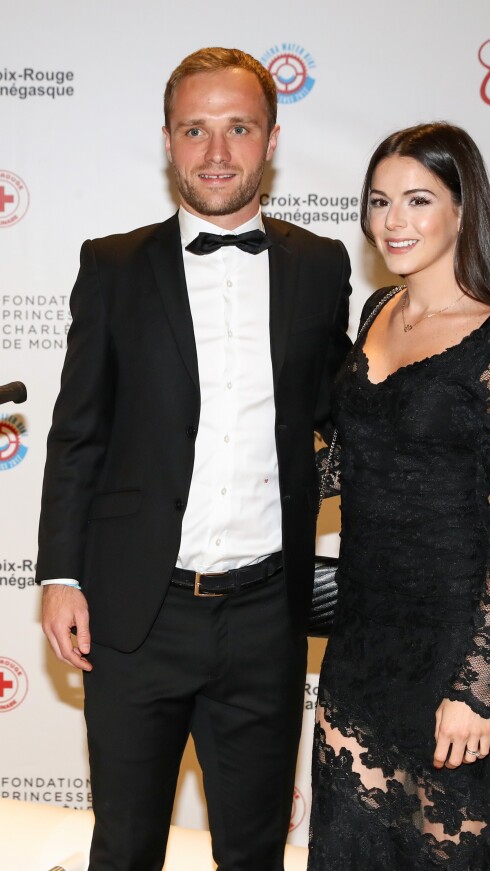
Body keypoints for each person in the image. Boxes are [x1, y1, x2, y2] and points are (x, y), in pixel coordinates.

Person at [37, 46, 351, 871]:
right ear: (168, 141)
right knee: (127, 844)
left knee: (253, 852)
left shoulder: (321, 268)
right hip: (137, 612)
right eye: (195, 130)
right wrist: (60, 575)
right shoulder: (110, 265)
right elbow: (78, 433)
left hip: (265, 619)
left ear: (272, 139)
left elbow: (344, 412)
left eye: (239, 128)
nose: (217, 152)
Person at [308, 122, 490, 870]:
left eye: (418, 200)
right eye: (379, 202)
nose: (393, 222)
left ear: (461, 208)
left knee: (444, 851)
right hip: (361, 635)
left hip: (452, 643)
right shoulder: (377, 311)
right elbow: (351, 465)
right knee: (348, 844)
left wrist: (476, 686)